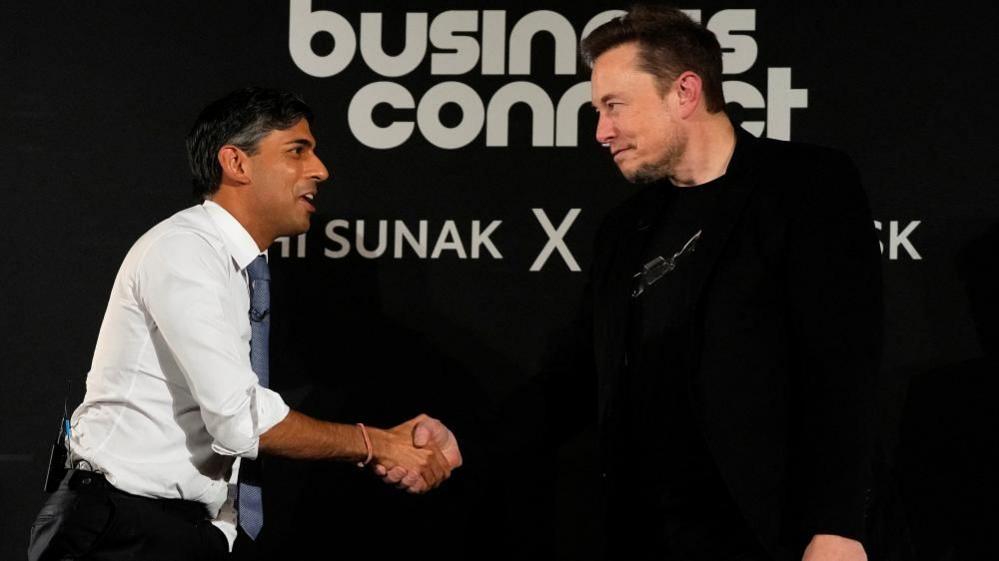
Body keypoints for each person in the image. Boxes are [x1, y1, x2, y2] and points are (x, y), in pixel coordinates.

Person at [27, 87, 462, 561]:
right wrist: (376, 444)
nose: (320, 170)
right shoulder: (185, 250)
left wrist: (403, 444)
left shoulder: (240, 269)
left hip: (185, 531)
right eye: (297, 151)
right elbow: (239, 420)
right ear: (236, 163)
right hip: (121, 531)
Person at [544, 5, 883, 561]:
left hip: (774, 534)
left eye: (613, 106)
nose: (601, 131)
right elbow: (577, 378)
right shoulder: (624, 229)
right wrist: (462, 440)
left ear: (684, 92)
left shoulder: (805, 186)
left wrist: (837, 526)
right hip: (651, 537)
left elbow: (842, 366)